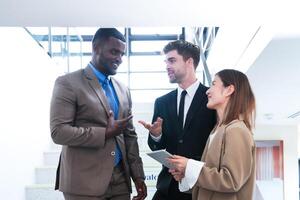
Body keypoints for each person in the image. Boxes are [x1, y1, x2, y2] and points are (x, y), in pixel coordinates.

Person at [50, 28, 147, 200]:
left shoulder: (123, 89)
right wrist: (105, 133)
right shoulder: (68, 83)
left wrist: (138, 176)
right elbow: (59, 132)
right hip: (83, 183)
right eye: (114, 52)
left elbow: (129, 136)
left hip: (120, 182)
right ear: (96, 48)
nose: (119, 58)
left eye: (122, 54)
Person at [139, 40, 216, 200]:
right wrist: (156, 135)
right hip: (166, 188)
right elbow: (156, 146)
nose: (167, 66)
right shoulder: (162, 102)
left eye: (172, 60)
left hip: (198, 188)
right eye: (166, 61)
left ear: (189, 62)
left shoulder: (212, 98)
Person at [168, 69, 256, 200]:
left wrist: (189, 167)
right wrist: (187, 174)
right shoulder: (217, 130)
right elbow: (213, 185)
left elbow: (231, 180)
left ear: (228, 90)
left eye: (214, 84)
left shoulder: (236, 130)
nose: (207, 91)